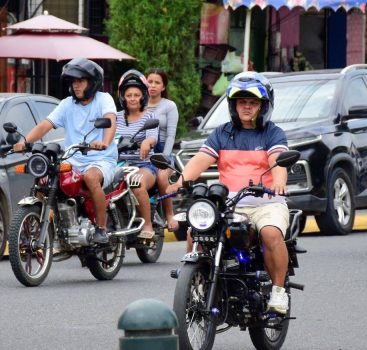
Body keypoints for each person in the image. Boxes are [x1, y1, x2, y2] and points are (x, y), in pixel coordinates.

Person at [167, 72, 291, 315]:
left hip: (266, 203)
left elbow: (279, 161)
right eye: (241, 102)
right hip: (230, 205)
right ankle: (196, 286)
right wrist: (179, 182)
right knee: (197, 233)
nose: (246, 106)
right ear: (233, 105)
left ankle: (278, 291)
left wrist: (279, 182)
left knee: (270, 233)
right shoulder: (221, 133)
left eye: (252, 102)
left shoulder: (273, 133)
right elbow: (201, 160)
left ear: (263, 106)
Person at [13, 58, 117, 244]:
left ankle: (101, 228)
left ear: (92, 83)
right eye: (73, 82)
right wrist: (25, 141)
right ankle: (50, 226)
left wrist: (104, 142)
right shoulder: (67, 104)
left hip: (101, 158)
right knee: (46, 180)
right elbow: (46, 124)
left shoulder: (104, 99)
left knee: (91, 178)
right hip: (73, 159)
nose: (76, 86)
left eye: (80, 81)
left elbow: (110, 119)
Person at [116, 69, 162, 241]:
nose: (133, 98)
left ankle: (147, 225)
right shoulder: (115, 117)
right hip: (119, 165)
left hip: (144, 166)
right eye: (129, 95)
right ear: (123, 97)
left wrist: (146, 142)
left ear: (143, 96)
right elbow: (106, 136)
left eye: (136, 94)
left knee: (135, 182)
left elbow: (153, 137)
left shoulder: (149, 117)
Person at [145, 68, 180, 233]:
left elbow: (171, 135)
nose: (152, 86)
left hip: (162, 152)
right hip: (143, 152)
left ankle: (169, 215)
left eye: (157, 82)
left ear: (163, 87)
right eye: (149, 82)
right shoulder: (138, 104)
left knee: (160, 176)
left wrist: (164, 159)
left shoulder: (169, 106)